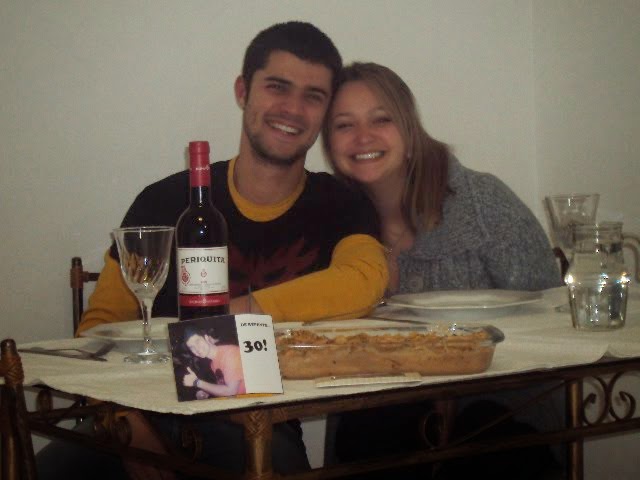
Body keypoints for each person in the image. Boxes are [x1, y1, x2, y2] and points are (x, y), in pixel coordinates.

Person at [37, 24, 387, 480]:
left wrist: (233, 315)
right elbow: (98, 327)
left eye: (313, 96)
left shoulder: (341, 202)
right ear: (243, 91)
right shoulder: (164, 200)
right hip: (138, 410)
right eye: (277, 87)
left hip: (258, 420)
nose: (293, 109)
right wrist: (126, 425)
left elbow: (365, 279)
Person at [320, 62, 563, 479]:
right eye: (344, 125)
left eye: (381, 119)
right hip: (382, 416)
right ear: (329, 142)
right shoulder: (330, 218)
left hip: (503, 406)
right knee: (374, 429)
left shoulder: (482, 203)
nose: (363, 136)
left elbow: (552, 314)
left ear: (409, 129)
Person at [181, 327, 246, 398]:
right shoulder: (213, 364)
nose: (196, 348)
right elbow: (224, 386)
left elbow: (231, 391)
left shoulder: (230, 353)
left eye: (197, 341)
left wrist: (197, 382)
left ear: (206, 338)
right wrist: (207, 391)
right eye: (192, 347)